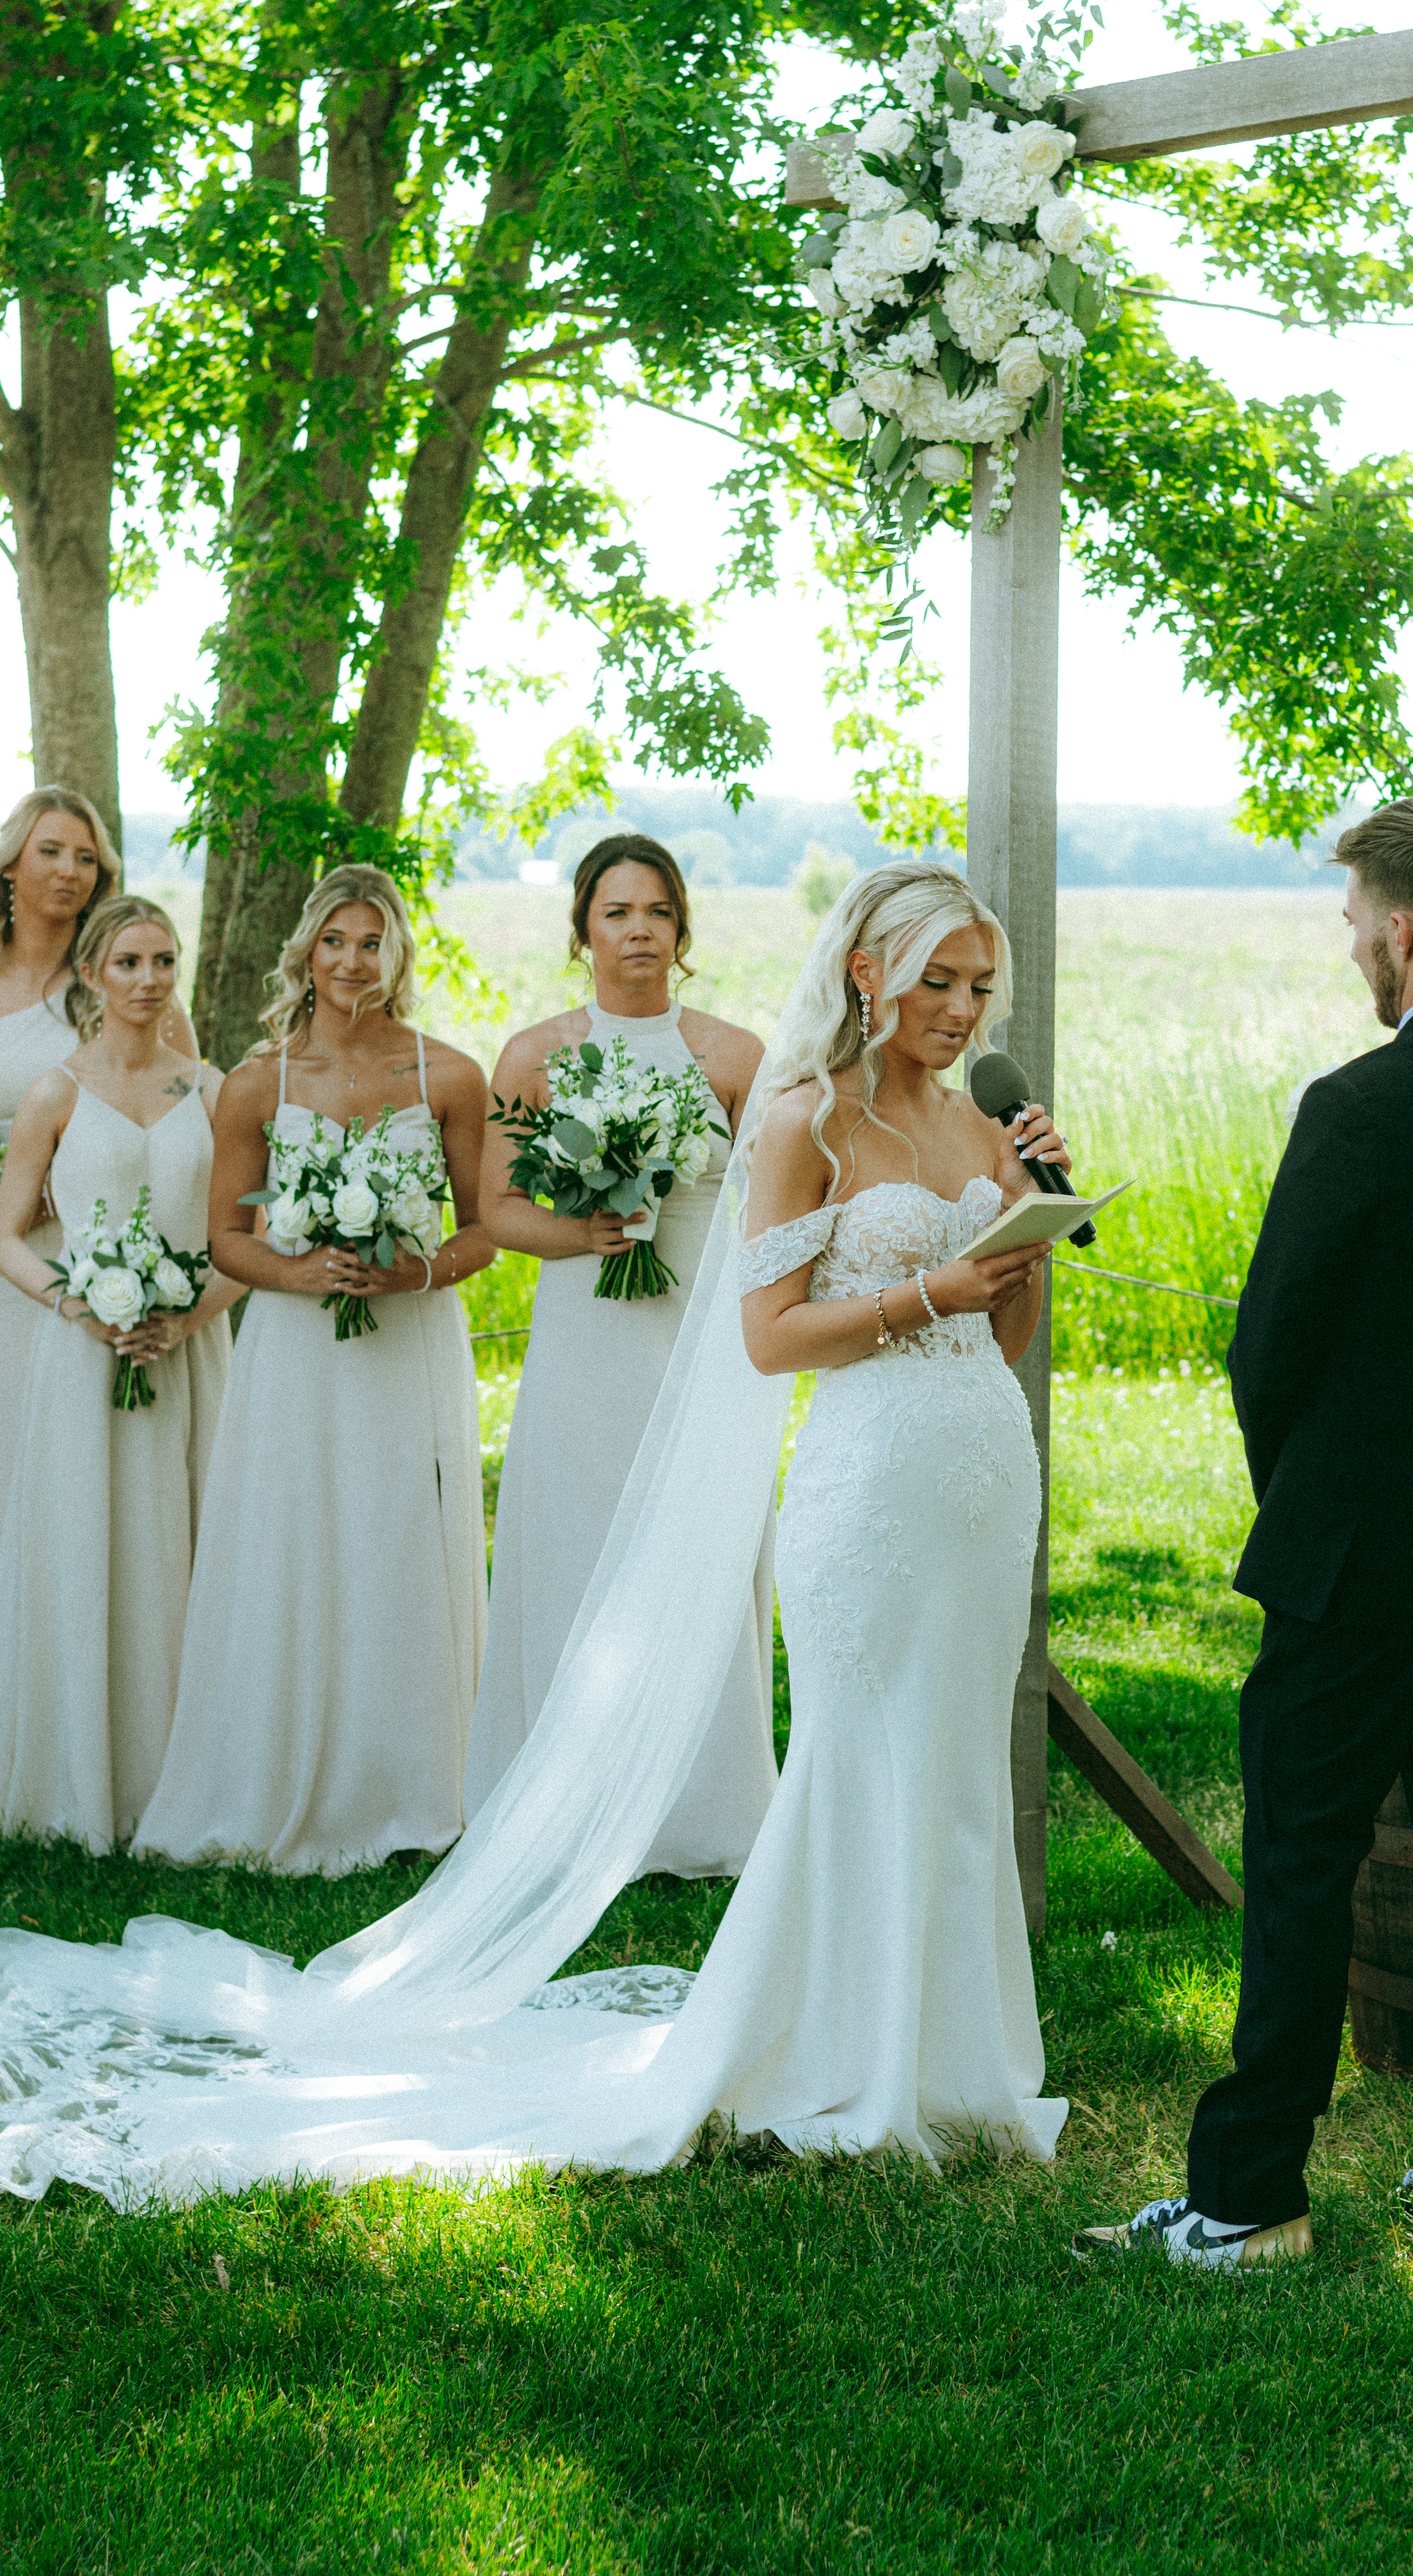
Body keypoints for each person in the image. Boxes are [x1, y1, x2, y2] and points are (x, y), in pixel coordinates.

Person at [0, 862, 1071, 2201]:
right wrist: (934, 1288)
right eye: (939, 984)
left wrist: (1014, 1260)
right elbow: (769, 1335)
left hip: (980, 1475)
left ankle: (960, 2059)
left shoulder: (986, 1133)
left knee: (959, 1757)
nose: (963, 1012)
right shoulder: (805, 1115)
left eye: (980, 989)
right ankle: (835, 2043)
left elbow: (1000, 1335)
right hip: (871, 1487)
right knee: (863, 1755)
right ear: (869, 974)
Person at [1076, 795, 1413, 2271]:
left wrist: (1302, 1500)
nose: (1352, 951)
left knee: (1305, 1865)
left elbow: (1270, 1352)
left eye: (1355, 924)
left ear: (1405, 931)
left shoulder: (1359, 1108)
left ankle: (1249, 2201)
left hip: (1359, 1560)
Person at [132, 867, 494, 1873]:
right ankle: (273, 1768)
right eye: (335, 941)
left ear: (398, 957)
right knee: (297, 1536)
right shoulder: (258, 1083)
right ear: (306, 953)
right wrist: (302, 1269)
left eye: (371, 943)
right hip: (296, 1353)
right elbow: (224, 1245)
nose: (352, 962)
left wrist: (414, 1269)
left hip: (407, 1342)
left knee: (396, 1540)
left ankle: (411, 1782)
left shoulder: (449, 1078)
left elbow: (483, 1236)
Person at [465, 835, 775, 1875]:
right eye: (616, 913)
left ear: (682, 931)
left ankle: (701, 1804)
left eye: (656, 912)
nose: (637, 930)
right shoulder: (535, 1056)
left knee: (695, 1539)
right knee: (578, 1537)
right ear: (582, 931)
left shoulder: (735, 1058)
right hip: (587, 1336)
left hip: (695, 1343)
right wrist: (587, 1233)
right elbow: (499, 1210)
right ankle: (562, 1798)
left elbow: (768, 1209)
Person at [0, 897, 240, 1848]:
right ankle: (81, 1773)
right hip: (82, 1356)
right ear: (95, 974)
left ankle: (194, 1768)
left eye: (164, 962)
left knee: (192, 1541)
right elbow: (6, 1234)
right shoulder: (55, 1093)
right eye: (131, 962)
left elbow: (239, 1238)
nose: (149, 981)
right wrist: (73, 1302)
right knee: (87, 1539)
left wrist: (189, 1318)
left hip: (186, 1352)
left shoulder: (210, 1091)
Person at [0, 788, 197, 1498]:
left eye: (87, 857)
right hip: (10, 1232)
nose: (69, 871)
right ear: (10, 865)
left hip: (88, 1259)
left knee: (63, 1471)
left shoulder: (129, 982)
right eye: (50, 851)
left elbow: (174, 1122)